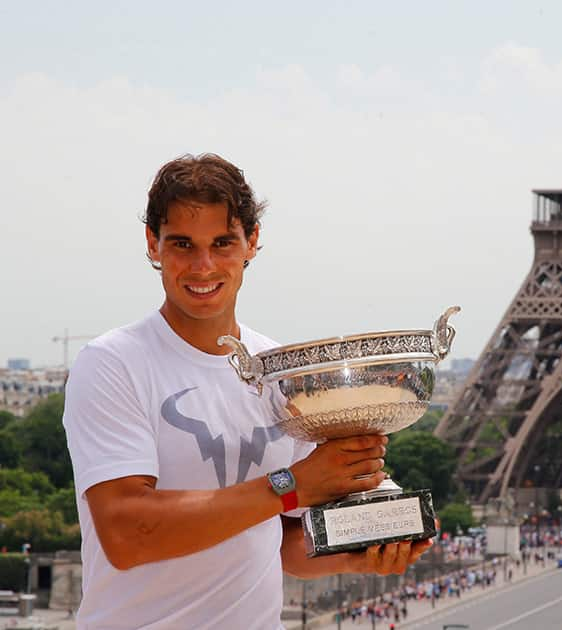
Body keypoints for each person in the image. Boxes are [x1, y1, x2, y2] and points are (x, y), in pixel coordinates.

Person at [62, 154, 432, 629]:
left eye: (222, 243)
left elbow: (280, 542)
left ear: (252, 243)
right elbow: (128, 532)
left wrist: (361, 550)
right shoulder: (113, 363)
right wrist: (293, 485)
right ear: (153, 245)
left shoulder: (280, 369)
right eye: (182, 244)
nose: (203, 265)